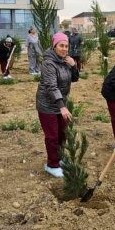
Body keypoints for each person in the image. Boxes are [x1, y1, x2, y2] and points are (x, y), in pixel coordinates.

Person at [36, 32, 79, 178]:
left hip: (61, 103)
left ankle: (59, 158)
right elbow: (51, 86)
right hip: (47, 105)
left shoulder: (64, 61)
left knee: (62, 133)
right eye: (61, 45)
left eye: (66, 46)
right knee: (52, 136)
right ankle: (52, 165)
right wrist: (62, 106)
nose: (64, 48)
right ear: (54, 46)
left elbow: (74, 79)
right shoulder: (48, 63)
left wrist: (73, 66)